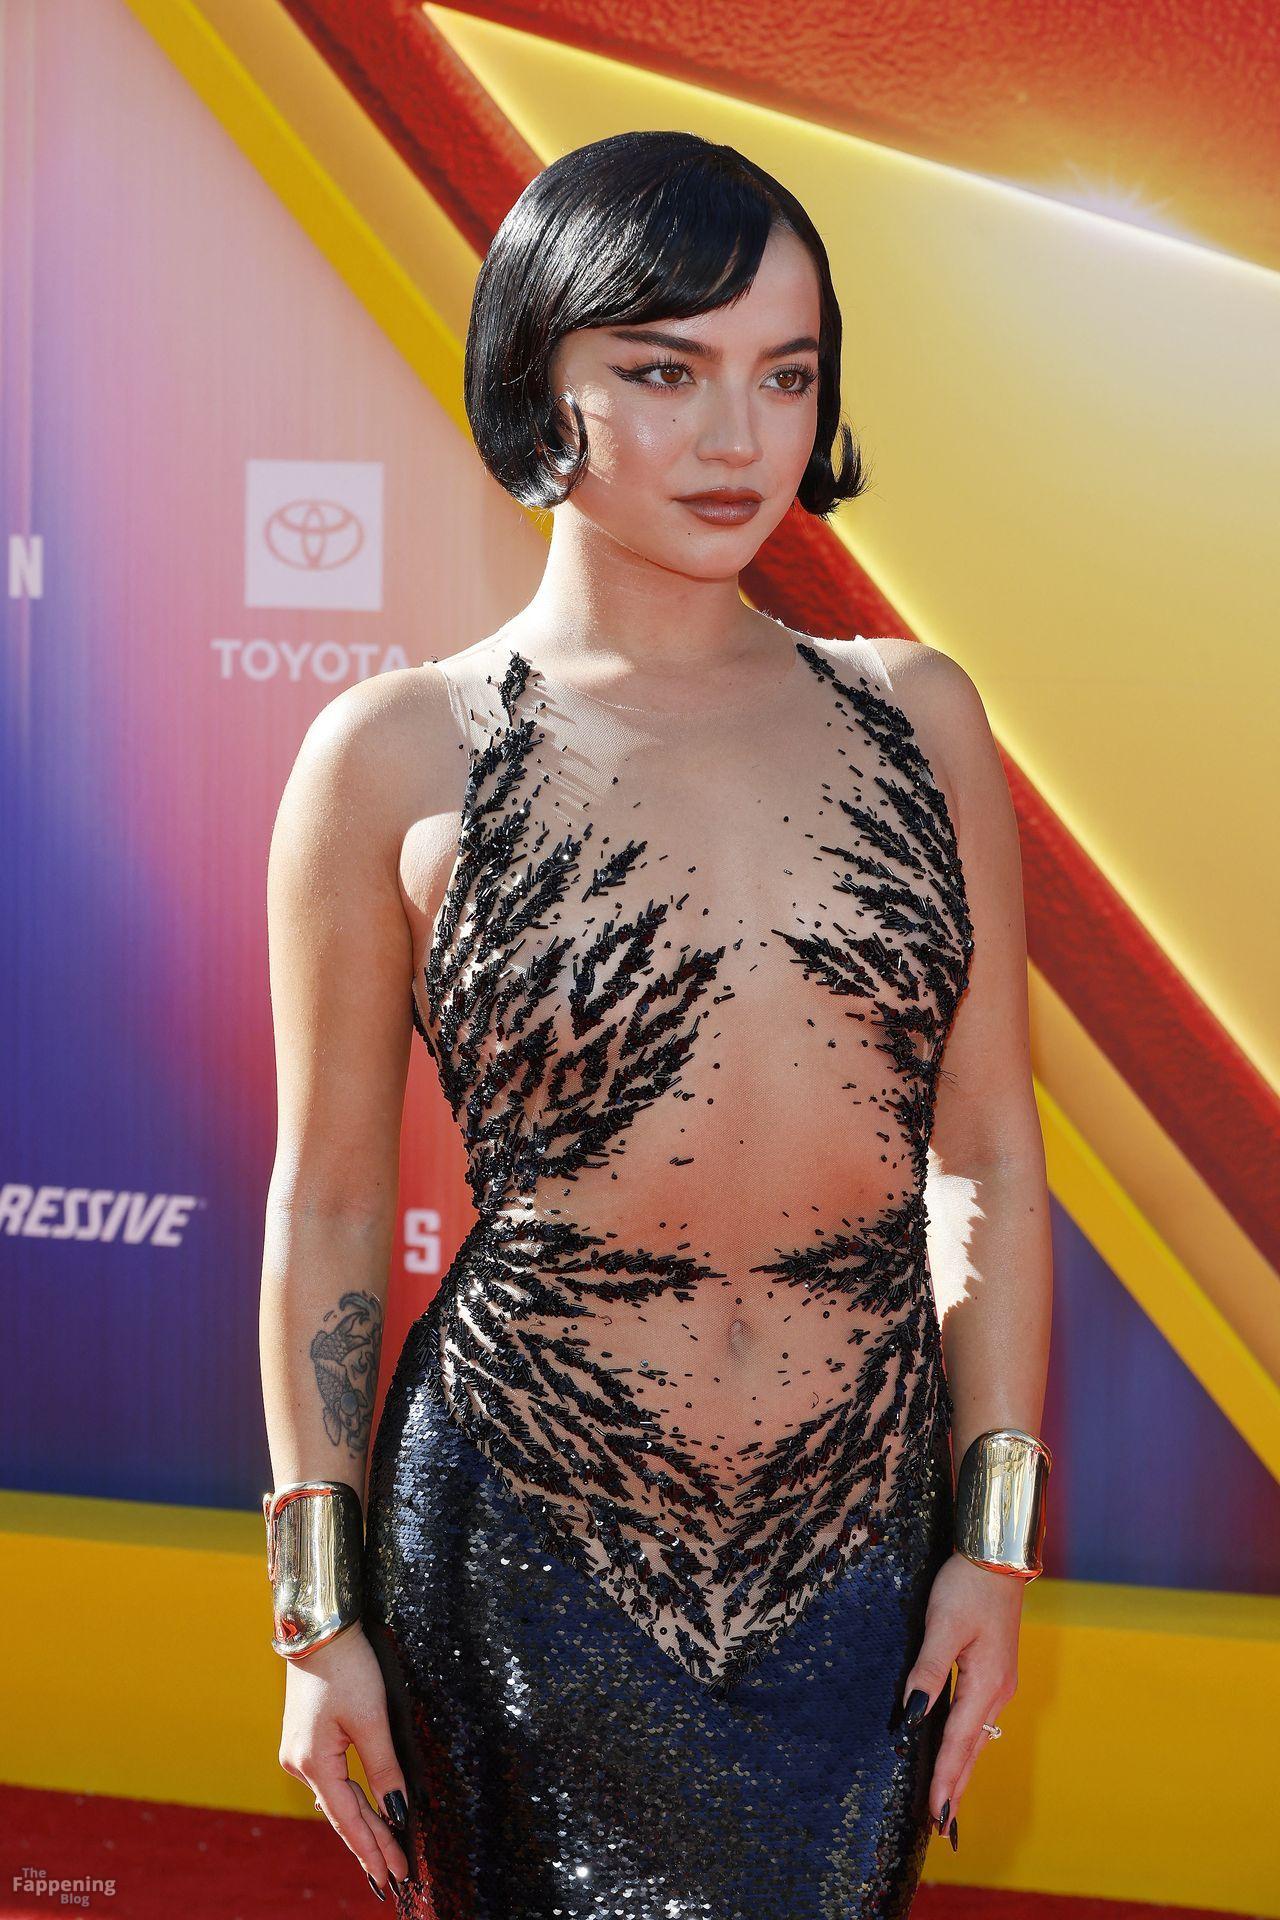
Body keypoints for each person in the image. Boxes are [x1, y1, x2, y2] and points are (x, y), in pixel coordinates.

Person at [259, 129, 1054, 1917]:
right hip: (519, 1546)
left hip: (861, 1541)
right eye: (664, 370)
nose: (738, 437)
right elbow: (326, 1204)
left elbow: (989, 1157)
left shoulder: (916, 716)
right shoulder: (397, 752)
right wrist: (317, 1614)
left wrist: (991, 1542)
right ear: (535, 372)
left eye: (787, 375)